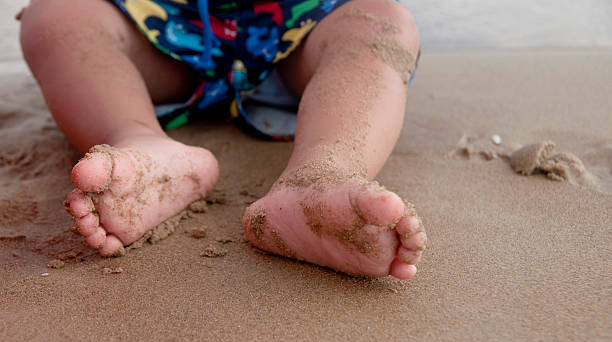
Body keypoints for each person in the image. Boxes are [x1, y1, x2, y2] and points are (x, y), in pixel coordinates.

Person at [19, 0, 426, 279]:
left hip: (301, 25)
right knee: (58, 15)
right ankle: (139, 140)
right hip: (163, 23)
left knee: (379, 22)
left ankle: (324, 173)